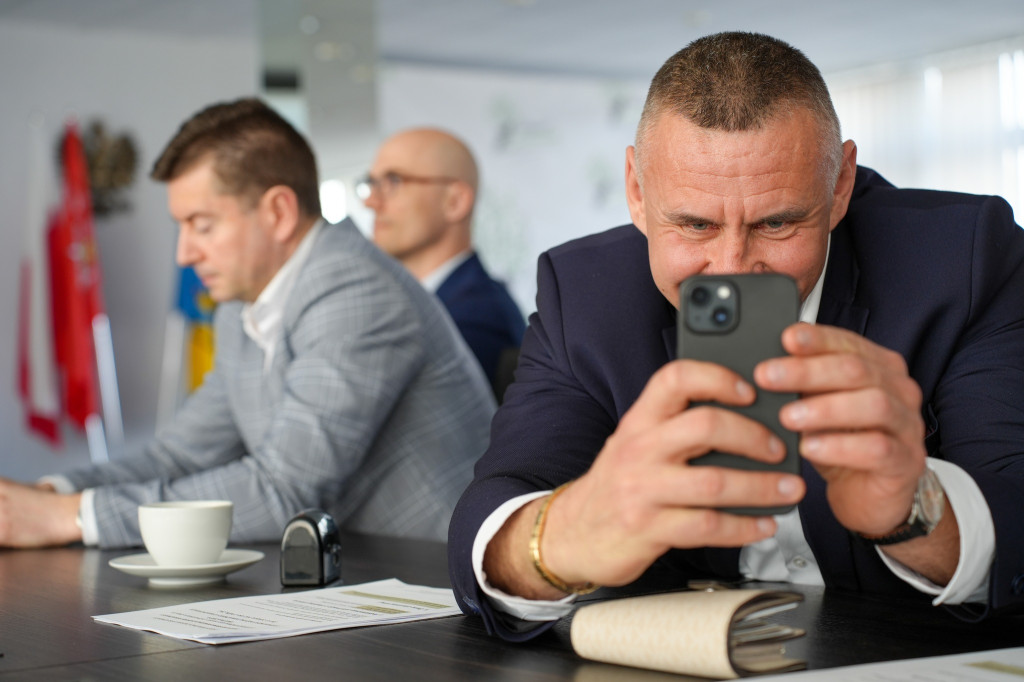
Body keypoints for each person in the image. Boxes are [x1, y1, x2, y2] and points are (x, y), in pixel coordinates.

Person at [448, 31, 1024, 640]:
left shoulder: (966, 259)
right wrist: (569, 534)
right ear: (637, 193)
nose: (731, 268)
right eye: (694, 224)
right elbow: (496, 504)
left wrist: (914, 509)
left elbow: (1015, 500)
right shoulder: (585, 294)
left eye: (777, 223)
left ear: (840, 186)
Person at [0, 98, 496, 550]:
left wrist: (71, 516)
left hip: (436, 591)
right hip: (353, 579)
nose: (185, 252)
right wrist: (47, 494)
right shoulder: (241, 307)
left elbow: (286, 492)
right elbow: (181, 457)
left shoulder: (355, 291)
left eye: (203, 224)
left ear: (278, 212)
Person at [359, 128, 526, 394]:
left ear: (455, 201)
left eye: (394, 181)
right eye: (371, 183)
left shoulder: (477, 317)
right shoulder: (447, 304)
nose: (371, 201)